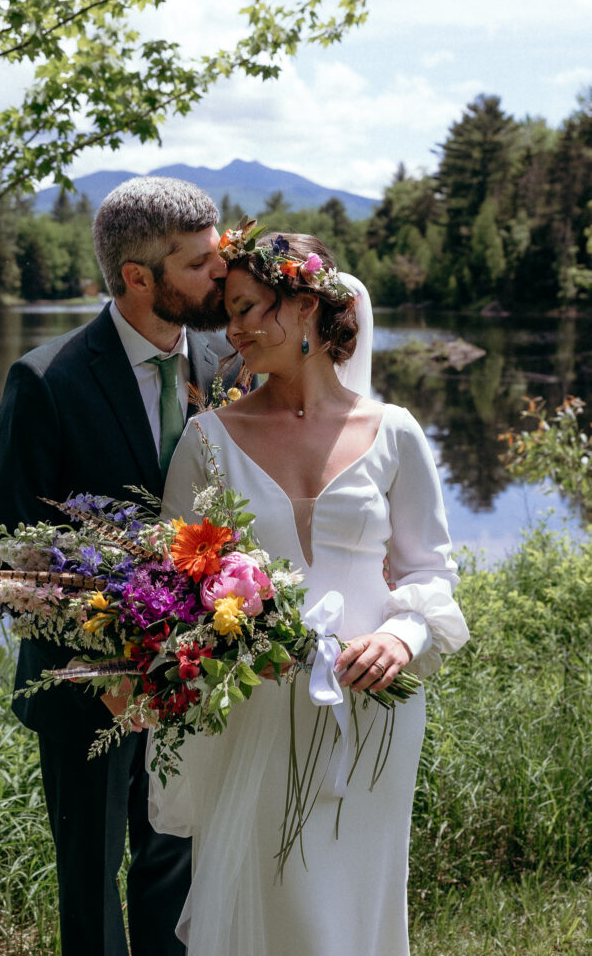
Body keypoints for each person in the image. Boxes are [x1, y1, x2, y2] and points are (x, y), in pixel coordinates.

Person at [153, 232, 470, 956]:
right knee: (268, 894)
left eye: (245, 309)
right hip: (255, 704)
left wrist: (401, 637)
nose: (232, 331)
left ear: (302, 307)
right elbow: (172, 584)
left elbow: (431, 573)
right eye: (226, 313)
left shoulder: (394, 433)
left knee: (355, 892)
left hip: (374, 707)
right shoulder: (206, 441)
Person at [0, 177, 247, 956]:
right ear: (138, 278)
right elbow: (8, 550)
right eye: (199, 264)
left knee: (175, 873)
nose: (221, 277)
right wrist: (109, 659)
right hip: (86, 692)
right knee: (92, 889)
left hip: (191, 683)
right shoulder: (46, 381)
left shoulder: (228, 363)